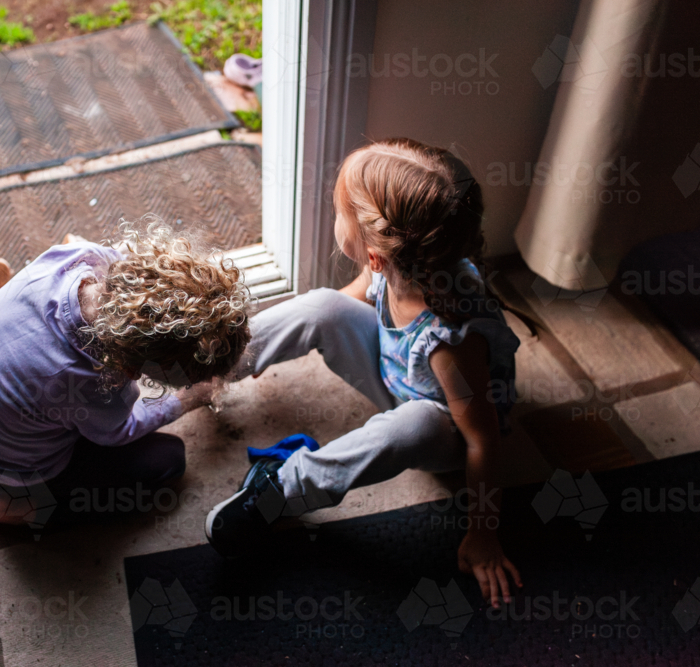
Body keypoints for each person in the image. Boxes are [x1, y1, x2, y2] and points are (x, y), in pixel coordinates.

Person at [206, 138, 523, 608]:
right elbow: (345, 306)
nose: (336, 217)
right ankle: (209, 360)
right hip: (396, 375)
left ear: (376, 253)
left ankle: (282, 490)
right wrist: (279, 341)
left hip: (444, 427)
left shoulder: (450, 344)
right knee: (322, 305)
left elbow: (483, 440)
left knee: (412, 424)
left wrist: (484, 536)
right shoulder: (400, 263)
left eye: (339, 211)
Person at [0, 219, 250, 529]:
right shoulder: (89, 380)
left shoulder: (78, 258)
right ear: (131, 368)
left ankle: (2, 475)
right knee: (168, 461)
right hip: (9, 471)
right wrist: (186, 399)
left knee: (52, 414)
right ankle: (8, 504)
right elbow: (118, 431)